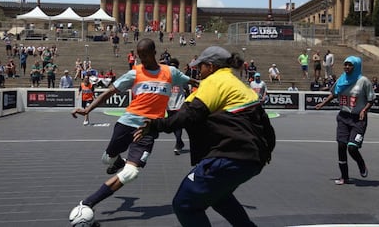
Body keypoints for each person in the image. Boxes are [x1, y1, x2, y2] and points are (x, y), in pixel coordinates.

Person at [133, 46, 275, 227]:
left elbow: (188, 115)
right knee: (219, 197)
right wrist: (264, 154)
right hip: (254, 158)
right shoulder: (238, 83)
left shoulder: (214, 81)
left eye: (200, 67)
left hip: (231, 155)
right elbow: (266, 126)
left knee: (184, 204)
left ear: (210, 66)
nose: (198, 71)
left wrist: (154, 125)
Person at [69, 38, 196, 221]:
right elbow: (109, 92)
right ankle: (117, 162)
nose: (142, 59)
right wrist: (88, 109)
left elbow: (193, 81)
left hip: (149, 128)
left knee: (131, 173)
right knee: (107, 160)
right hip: (127, 123)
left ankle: (87, 203)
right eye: (139, 55)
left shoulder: (170, 72)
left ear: (154, 53)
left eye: (145, 55)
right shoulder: (135, 72)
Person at [316, 56, 375, 185]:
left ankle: (361, 164)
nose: (347, 67)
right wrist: (322, 104)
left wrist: (364, 110)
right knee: (341, 146)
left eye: (350, 65)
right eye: (345, 65)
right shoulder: (341, 80)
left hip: (358, 119)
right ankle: (344, 176)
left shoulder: (364, 81)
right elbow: (334, 93)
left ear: (356, 66)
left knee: (352, 148)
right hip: (343, 117)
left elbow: (371, 100)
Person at [167, 58, 188, 155]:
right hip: (169, 104)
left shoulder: (180, 75)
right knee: (174, 125)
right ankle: (179, 142)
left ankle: (178, 143)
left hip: (179, 104)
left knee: (177, 125)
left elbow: (187, 87)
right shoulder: (165, 75)